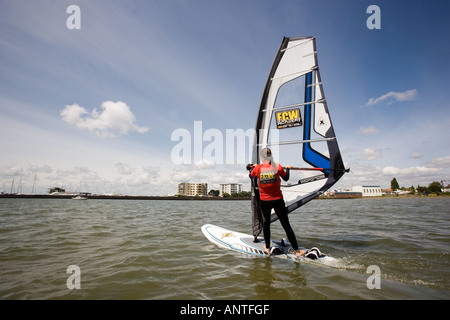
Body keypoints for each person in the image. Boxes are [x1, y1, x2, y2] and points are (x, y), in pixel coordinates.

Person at [247, 148, 305, 257]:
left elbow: (250, 176)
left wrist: (252, 168)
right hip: (278, 200)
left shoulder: (258, 169)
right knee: (286, 225)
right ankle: (297, 251)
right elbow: (286, 178)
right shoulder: (277, 166)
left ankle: (267, 247)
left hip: (264, 201)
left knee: (266, 223)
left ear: (261, 157)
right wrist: (288, 169)